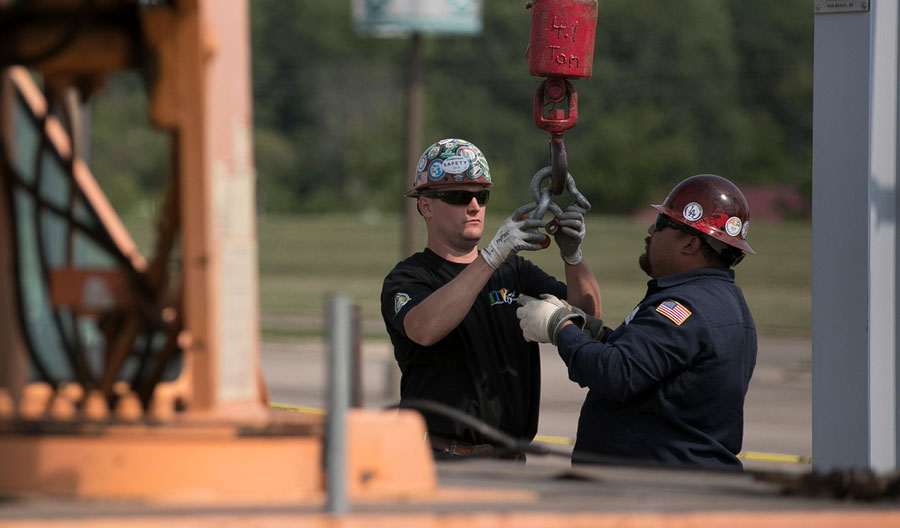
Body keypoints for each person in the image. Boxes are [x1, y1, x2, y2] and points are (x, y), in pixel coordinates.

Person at [516, 174, 757, 470]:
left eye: (660, 224)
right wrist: (592, 332)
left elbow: (617, 373)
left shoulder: (683, 307)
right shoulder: (722, 301)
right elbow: (646, 363)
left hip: (658, 491)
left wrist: (558, 327)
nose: (650, 230)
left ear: (690, 244)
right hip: (673, 484)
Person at [380, 138, 600, 459]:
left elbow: (588, 316)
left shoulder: (513, 271)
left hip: (511, 459)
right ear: (425, 206)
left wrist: (573, 257)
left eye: (480, 195)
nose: (473, 206)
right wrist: (492, 256)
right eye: (458, 196)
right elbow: (423, 329)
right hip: (443, 458)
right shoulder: (409, 278)